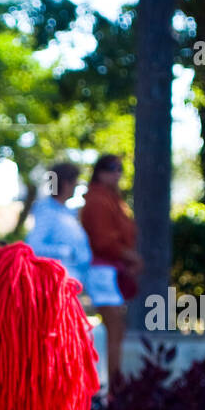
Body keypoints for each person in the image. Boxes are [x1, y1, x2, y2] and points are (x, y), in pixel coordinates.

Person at [81, 154, 142, 383]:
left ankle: (110, 386)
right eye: (112, 169)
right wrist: (131, 257)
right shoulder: (98, 200)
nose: (117, 174)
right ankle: (110, 389)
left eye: (119, 169)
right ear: (100, 172)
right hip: (102, 271)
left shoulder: (112, 199)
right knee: (113, 330)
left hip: (111, 271)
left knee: (116, 330)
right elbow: (103, 241)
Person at [27, 161, 92, 291]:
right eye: (75, 182)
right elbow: (33, 246)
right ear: (65, 184)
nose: (76, 187)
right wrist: (66, 252)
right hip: (56, 285)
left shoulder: (65, 211)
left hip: (69, 284)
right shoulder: (47, 210)